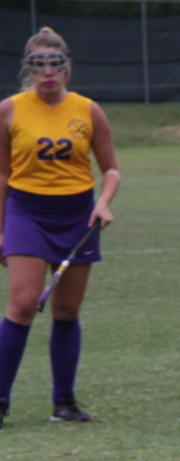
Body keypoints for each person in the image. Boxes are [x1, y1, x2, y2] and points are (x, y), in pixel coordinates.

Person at [0, 26, 120, 429]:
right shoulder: (10, 109)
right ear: (29, 70)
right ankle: (0, 400)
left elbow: (111, 170)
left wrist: (103, 203)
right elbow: (2, 175)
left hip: (77, 216)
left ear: (67, 68)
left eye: (56, 64)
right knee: (22, 305)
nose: (47, 72)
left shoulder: (88, 110)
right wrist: (0, 229)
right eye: (39, 65)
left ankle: (64, 402)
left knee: (67, 309)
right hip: (26, 213)